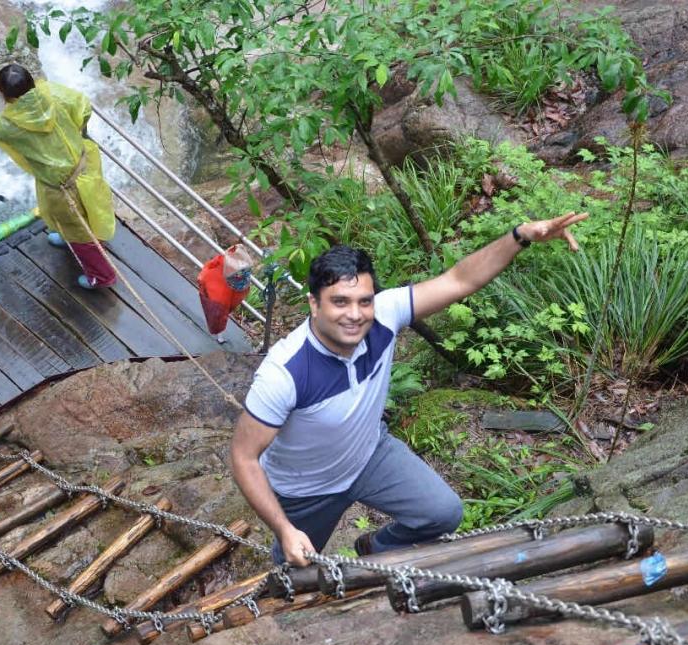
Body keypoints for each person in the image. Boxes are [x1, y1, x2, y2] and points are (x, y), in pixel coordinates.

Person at [230, 213, 588, 566]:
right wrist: (285, 529)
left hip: (369, 455)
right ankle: (287, 559)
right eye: (340, 302)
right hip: (306, 489)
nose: (355, 315)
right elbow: (244, 458)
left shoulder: (385, 314)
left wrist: (520, 235)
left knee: (443, 514)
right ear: (314, 303)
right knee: (296, 568)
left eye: (364, 301)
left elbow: (459, 280)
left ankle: (376, 551)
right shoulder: (284, 372)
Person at [0, 64, 117, 289]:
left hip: (63, 188)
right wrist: (76, 134)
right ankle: (70, 237)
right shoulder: (52, 93)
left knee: (80, 232)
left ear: (4, 95)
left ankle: (102, 276)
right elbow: (82, 105)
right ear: (32, 82)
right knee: (92, 210)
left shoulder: (11, 125)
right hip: (85, 165)